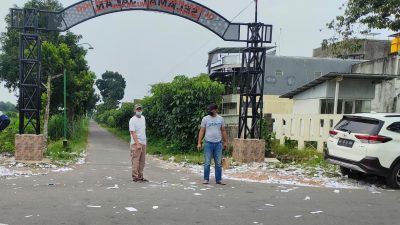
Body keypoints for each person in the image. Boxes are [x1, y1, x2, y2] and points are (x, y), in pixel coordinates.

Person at [197, 103, 228, 185]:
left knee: (218, 163)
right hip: (208, 143)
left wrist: (225, 142)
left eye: (212, 109)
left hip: (218, 144)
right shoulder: (205, 119)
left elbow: (223, 130)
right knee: (207, 162)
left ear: (216, 110)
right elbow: (202, 131)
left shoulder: (220, 119)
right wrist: (199, 143)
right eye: (210, 109)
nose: (210, 111)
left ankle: (219, 180)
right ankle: (206, 179)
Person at [129, 104, 148, 183]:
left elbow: (143, 130)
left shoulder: (143, 118)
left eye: (140, 109)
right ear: (134, 110)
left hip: (143, 143)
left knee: (142, 161)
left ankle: (140, 177)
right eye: (137, 109)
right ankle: (135, 177)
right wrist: (137, 144)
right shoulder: (132, 120)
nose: (139, 111)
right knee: (136, 160)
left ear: (142, 110)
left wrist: (144, 141)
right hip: (136, 143)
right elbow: (133, 132)